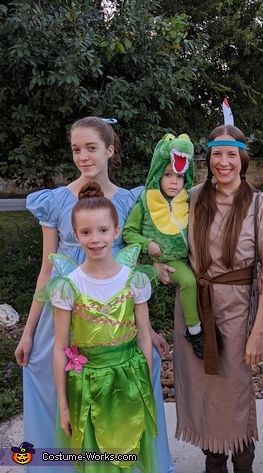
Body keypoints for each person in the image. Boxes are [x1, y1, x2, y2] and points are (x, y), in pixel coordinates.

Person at [14, 117, 175, 473]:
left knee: (127, 388)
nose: (83, 157)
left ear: (109, 150)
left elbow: (130, 274)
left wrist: (149, 331)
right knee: (53, 381)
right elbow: (46, 271)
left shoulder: (130, 201)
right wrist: (27, 333)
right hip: (64, 315)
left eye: (91, 148)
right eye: (76, 149)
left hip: (114, 320)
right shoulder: (56, 202)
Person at [166, 124, 263, 473]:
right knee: (203, 394)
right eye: (217, 154)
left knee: (234, 394)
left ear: (242, 159)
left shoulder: (261, 204)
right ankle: (213, 464)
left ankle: (243, 464)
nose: (224, 162)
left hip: (239, 312)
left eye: (231, 154)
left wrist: (257, 331)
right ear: (208, 158)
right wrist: (160, 262)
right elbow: (164, 235)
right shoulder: (192, 197)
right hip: (194, 310)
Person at [49, 182, 157, 472]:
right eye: (86, 232)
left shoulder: (134, 280)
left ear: (116, 231)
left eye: (103, 230)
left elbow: (144, 336)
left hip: (131, 382)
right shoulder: (69, 286)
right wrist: (63, 405)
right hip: (87, 386)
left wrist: (144, 385)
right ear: (75, 234)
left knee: (130, 454)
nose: (95, 239)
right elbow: (60, 347)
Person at [123, 132, 203, 358]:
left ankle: (195, 329)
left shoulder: (187, 199)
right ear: (158, 173)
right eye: (168, 175)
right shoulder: (146, 201)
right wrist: (148, 245)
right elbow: (129, 232)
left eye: (179, 176)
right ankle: (128, 330)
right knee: (136, 290)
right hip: (159, 260)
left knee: (192, 282)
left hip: (183, 259)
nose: (174, 181)